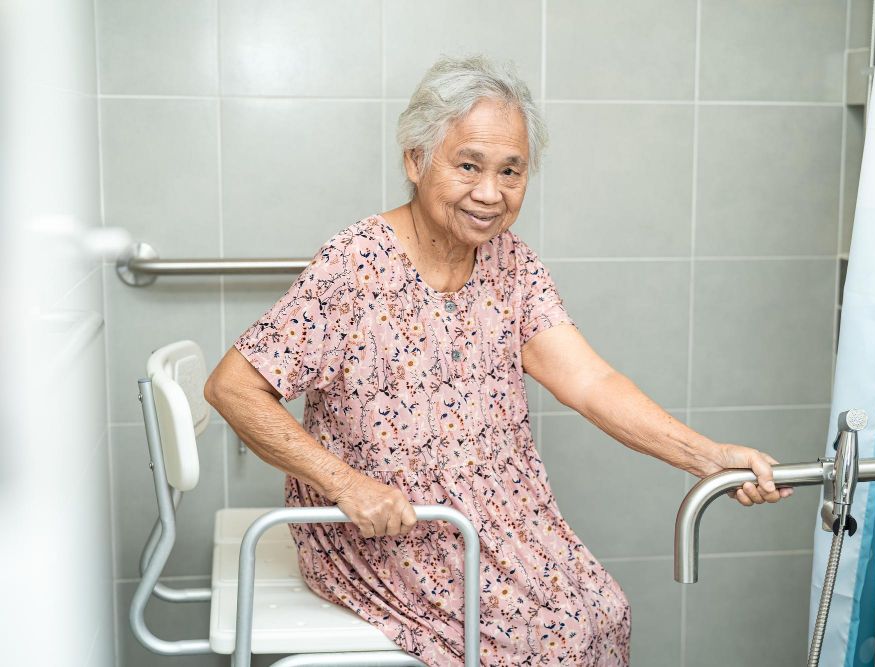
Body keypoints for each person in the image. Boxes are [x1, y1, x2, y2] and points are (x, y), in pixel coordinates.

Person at [205, 54, 793, 666]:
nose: (491, 193)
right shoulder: (355, 266)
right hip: (389, 528)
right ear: (415, 160)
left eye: (511, 171)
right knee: (547, 641)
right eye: (468, 166)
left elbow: (589, 382)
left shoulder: (511, 263)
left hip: (501, 517)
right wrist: (347, 486)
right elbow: (232, 388)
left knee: (604, 610)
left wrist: (709, 458)